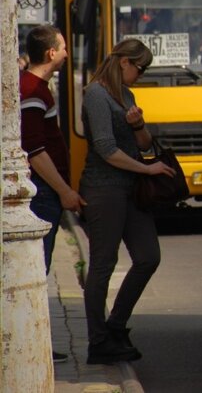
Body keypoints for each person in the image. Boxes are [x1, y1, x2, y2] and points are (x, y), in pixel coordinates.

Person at [80, 38, 176, 365]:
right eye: (140, 67)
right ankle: (99, 341)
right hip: (103, 188)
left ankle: (116, 324)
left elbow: (145, 144)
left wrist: (138, 125)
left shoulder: (127, 95)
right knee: (103, 264)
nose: (142, 73)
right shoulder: (95, 94)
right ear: (124, 62)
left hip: (131, 188)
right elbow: (106, 149)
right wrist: (146, 169)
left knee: (148, 256)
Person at [20, 24, 85, 365]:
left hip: (48, 190)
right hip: (44, 192)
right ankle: (31, 344)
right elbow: (34, 148)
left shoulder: (37, 87)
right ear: (50, 53)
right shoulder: (33, 89)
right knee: (35, 270)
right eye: (62, 48)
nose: (65, 53)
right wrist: (64, 191)